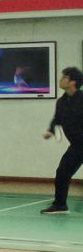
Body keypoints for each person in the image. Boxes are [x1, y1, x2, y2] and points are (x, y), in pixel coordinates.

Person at [40, 65, 82, 215]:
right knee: (62, 173)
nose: (61, 80)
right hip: (77, 146)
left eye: (64, 77)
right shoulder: (61, 102)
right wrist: (50, 131)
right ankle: (60, 205)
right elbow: (57, 119)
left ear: (73, 82)